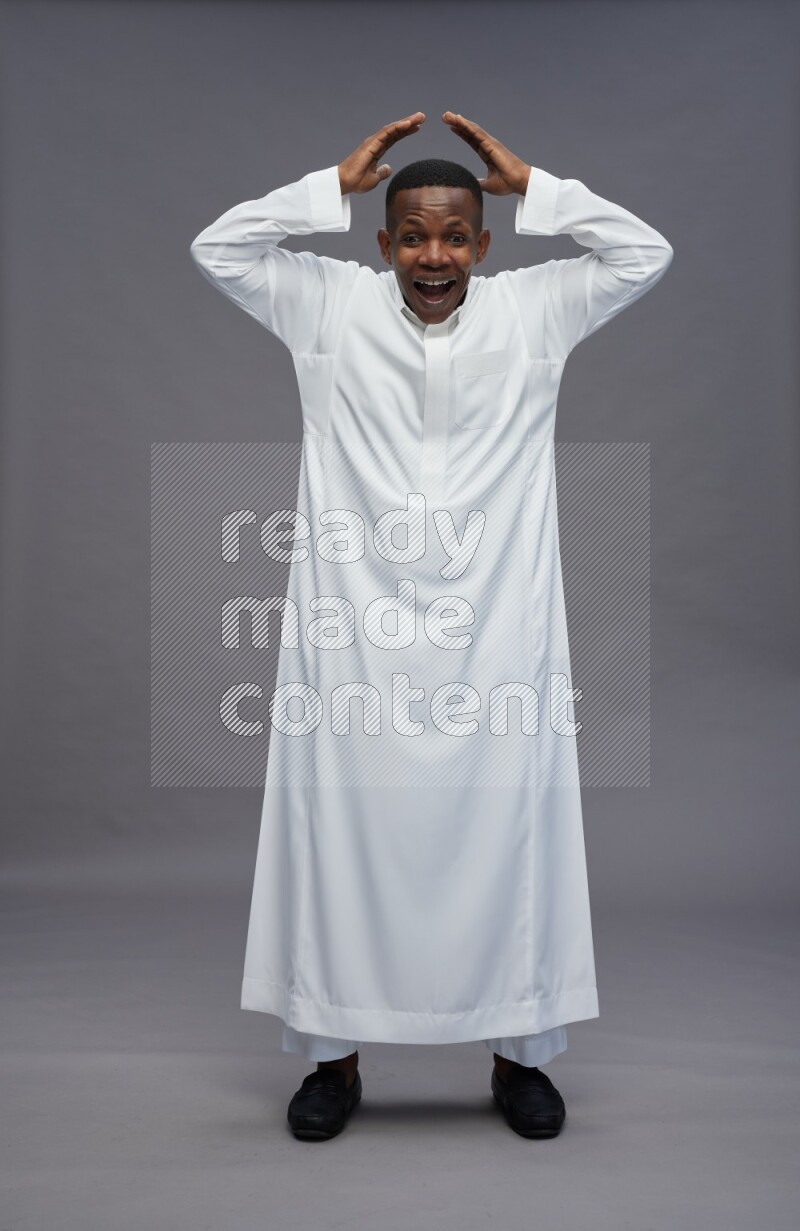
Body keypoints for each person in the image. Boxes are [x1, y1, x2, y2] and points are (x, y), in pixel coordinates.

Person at [190, 111, 673, 1141]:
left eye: (455, 234)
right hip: (348, 635)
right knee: (338, 837)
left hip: (499, 633)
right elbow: (219, 247)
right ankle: (332, 1058)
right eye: (410, 234)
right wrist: (330, 182)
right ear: (380, 245)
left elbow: (643, 251)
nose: (434, 256)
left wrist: (537, 184)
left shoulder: (535, 309)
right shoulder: (324, 305)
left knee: (514, 836)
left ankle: (520, 1056)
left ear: (485, 243)